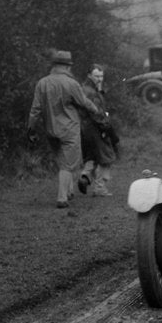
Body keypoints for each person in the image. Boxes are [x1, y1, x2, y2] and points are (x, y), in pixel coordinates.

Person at [27, 50, 101, 209]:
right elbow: (83, 102)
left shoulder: (42, 83)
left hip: (50, 130)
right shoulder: (71, 83)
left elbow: (35, 110)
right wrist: (96, 110)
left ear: (53, 65)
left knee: (62, 163)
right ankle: (62, 198)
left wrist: (31, 129)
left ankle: (69, 191)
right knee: (69, 165)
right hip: (69, 129)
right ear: (67, 67)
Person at [79, 64, 118, 197]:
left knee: (92, 155)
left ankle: (84, 177)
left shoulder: (86, 88)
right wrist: (105, 126)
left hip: (85, 129)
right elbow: (95, 111)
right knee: (107, 157)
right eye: (97, 76)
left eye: (101, 76)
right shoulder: (91, 91)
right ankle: (100, 188)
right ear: (89, 75)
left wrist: (100, 91)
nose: (100, 79)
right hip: (95, 127)